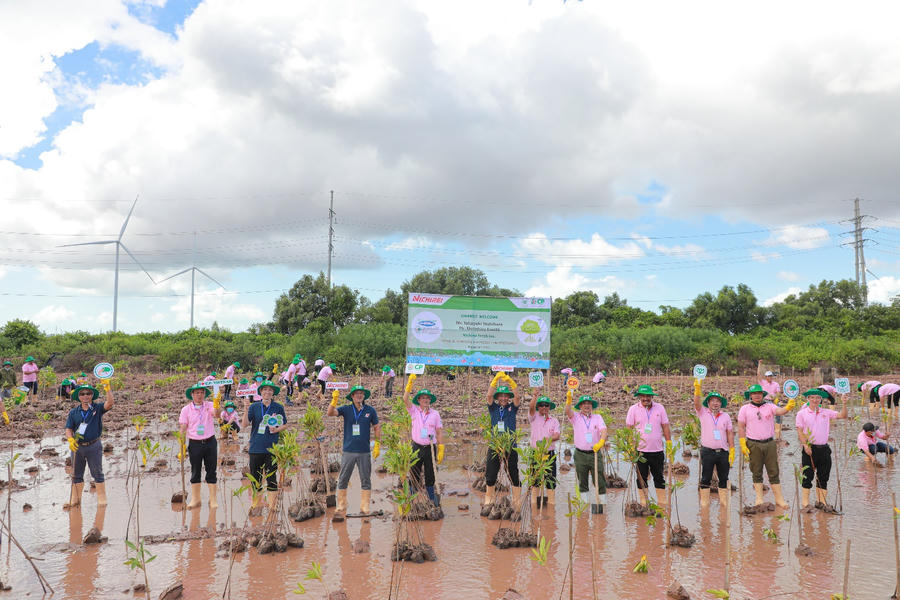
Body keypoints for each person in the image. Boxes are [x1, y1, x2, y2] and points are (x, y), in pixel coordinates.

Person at [327, 385, 381, 520]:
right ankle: (341, 505)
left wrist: (378, 444)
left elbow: (376, 426)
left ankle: (365, 507)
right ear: (352, 396)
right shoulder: (346, 409)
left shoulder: (370, 410)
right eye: (356, 394)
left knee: (366, 479)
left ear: (364, 396)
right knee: (343, 478)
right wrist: (334, 401)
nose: (359, 396)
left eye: (361, 394)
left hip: (364, 451)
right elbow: (330, 413)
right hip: (348, 450)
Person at [737, 384, 795, 508]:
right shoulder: (744, 409)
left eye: (759, 393)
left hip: (769, 443)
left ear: (763, 395)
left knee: (773, 470)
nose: (757, 395)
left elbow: (780, 411)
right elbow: (741, 426)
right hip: (753, 443)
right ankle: (759, 498)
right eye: (754, 393)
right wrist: (742, 443)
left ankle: (779, 499)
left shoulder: (769, 406)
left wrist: (789, 406)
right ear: (750, 395)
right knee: (756, 471)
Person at [795, 388, 848, 510]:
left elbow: (843, 415)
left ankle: (821, 502)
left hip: (824, 449)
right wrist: (806, 445)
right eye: (812, 397)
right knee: (807, 475)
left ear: (821, 400)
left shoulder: (826, 412)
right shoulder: (801, 413)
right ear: (808, 399)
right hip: (809, 448)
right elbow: (800, 431)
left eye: (818, 398)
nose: (815, 400)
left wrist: (844, 403)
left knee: (823, 476)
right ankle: (805, 503)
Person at [65, 380, 115, 508]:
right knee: (76, 474)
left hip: (94, 446)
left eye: (88, 393)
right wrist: (70, 440)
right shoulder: (73, 413)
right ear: (78, 397)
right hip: (77, 448)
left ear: (92, 395)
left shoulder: (97, 408)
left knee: (97, 472)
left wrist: (107, 387)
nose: (85, 396)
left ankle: (102, 499)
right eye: (82, 394)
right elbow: (68, 428)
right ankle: (75, 499)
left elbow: (110, 403)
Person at [241, 380, 288, 510]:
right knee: (256, 478)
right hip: (255, 447)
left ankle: (272, 505)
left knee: (271, 477)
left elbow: (285, 424)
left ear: (273, 393)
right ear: (260, 392)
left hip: (272, 448)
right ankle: (256, 504)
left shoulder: (278, 407)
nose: (267, 392)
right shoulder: (254, 407)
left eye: (270, 390)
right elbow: (244, 424)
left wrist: (277, 430)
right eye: (265, 389)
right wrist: (245, 409)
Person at [625, 384, 672, 505]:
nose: (646, 398)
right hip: (640, 452)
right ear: (639, 396)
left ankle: (662, 504)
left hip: (657, 450)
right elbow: (629, 429)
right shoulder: (633, 409)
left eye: (648, 396)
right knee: (641, 478)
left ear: (652, 396)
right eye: (643, 396)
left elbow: (665, 426)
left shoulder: (660, 408)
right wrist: (630, 447)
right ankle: (644, 503)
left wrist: (669, 443)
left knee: (659, 478)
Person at [402, 374, 444, 506]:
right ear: (418, 400)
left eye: (428, 398)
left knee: (430, 475)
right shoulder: (414, 411)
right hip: (416, 447)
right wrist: (410, 384)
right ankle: (411, 500)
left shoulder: (435, 414)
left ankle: (432, 500)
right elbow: (405, 399)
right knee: (414, 473)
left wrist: (441, 448)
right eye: (423, 398)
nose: (426, 400)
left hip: (430, 448)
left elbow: (439, 431)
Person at [692, 379, 734, 508]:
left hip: (722, 452)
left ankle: (723, 502)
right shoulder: (703, 412)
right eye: (713, 401)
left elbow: (730, 433)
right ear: (708, 403)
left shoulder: (725, 416)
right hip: (707, 451)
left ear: (721, 403)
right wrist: (697, 389)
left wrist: (732, 449)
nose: (715, 403)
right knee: (705, 478)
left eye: (718, 401)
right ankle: (704, 503)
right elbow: (697, 403)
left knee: (723, 478)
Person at [565, 390, 607, 512]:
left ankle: (602, 505)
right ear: (580, 406)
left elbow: (603, 430)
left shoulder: (597, 417)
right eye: (584, 403)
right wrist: (569, 399)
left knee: (599, 480)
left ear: (592, 405)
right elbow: (568, 411)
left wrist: (601, 442)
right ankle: (584, 506)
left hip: (595, 453)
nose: (586, 405)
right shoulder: (576, 417)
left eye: (589, 403)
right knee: (582, 480)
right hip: (580, 454)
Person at [484, 372, 521, 508]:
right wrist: (495, 380)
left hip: (510, 446)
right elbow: (488, 396)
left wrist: (511, 382)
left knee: (513, 474)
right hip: (495, 446)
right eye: (501, 396)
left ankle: (516, 501)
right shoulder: (493, 408)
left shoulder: (512, 408)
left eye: (506, 396)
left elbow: (517, 396)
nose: (504, 398)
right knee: (491, 474)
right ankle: (489, 500)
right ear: (498, 397)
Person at [179, 383, 219, 509]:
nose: (199, 395)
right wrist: (182, 446)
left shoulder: (210, 405)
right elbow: (183, 427)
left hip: (210, 442)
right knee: (195, 471)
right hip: (195, 443)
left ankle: (213, 500)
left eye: (202, 392)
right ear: (192, 395)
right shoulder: (186, 410)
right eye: (197, 393)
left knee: (211, 470)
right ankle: (196, 499)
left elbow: (217, 414)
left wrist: (217, 403)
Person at [528, 391, 560, 507]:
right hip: (535, 453)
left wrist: (546, 440)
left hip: (549, 454)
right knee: (534, 480)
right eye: (541, 405)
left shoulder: (554, 420)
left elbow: (557, 435)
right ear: (538, 407)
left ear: (549, 407)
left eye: (547, 405)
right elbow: (531, 407)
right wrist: (535, 396)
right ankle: (533, 505)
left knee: (550, 481)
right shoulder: (534, 417)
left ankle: (551, 507)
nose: (544, 407)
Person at [757, 360, 783, 440]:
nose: (770, 377)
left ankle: (778, 435)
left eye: (771, 376)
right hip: (765, 401)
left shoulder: (776, 384)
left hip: (773, 401)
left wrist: (775, 398)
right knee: (764, 416)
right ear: (766, 377)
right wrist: (759, 364)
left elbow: (778, 393)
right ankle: (763, 432)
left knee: (779, 414)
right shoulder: (763, 382)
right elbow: (758, 374)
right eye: (768, 376)